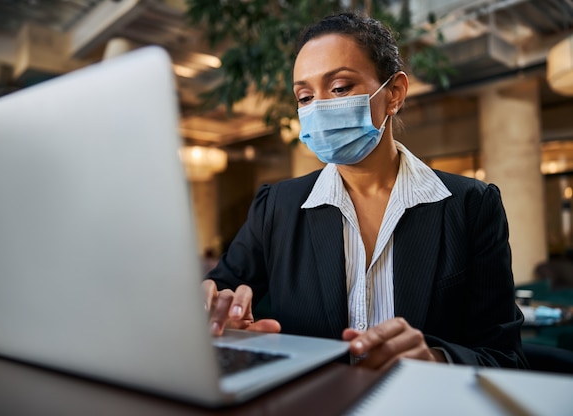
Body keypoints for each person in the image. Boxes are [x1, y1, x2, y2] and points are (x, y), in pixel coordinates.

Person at [202, 11, 527, 371]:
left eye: (340, 88)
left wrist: (436, 358)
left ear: (394, 94)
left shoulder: (470, 206)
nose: (321, 107)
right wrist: (220, 319)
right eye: (305, 97)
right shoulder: (277, 207)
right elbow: (218, 295)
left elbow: (505, 356)